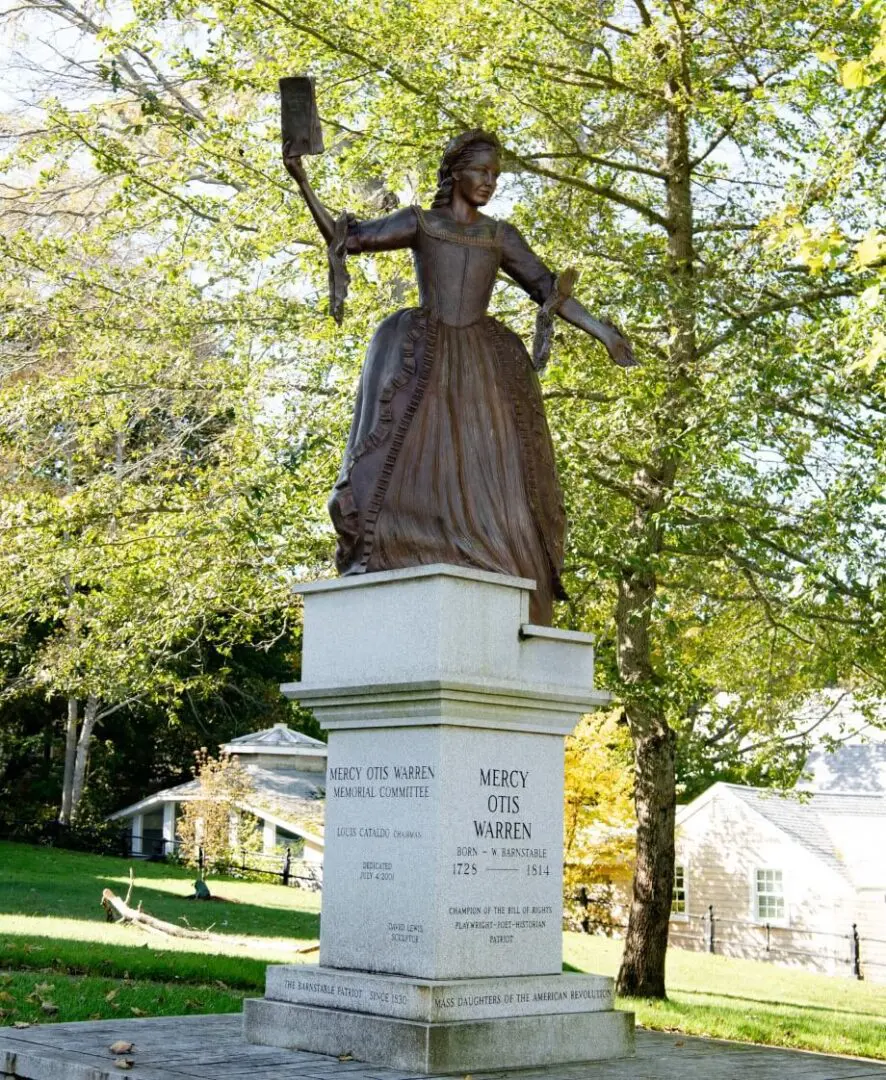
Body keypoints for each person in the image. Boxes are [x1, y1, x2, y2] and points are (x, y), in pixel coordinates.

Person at [283, 130, 635, 625]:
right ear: (455, 173)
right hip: (422, 358)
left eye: (495, 175)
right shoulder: (421, 223)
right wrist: (300, 177)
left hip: (483, 370)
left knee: (497, 476)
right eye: (481, 172)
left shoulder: (500, 236)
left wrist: (605, 333)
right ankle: (407, 563)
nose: (489, 183)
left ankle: (501, 578)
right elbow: (350, 236)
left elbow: (546, 289)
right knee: (405, 464)